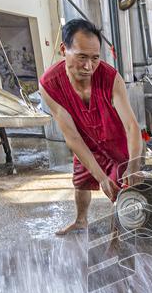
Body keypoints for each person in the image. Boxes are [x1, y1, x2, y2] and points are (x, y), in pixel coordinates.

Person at [40, 19, 143, 235]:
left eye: (95, 58)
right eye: (81, 57)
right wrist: (100, 177)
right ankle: (80, 220)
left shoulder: (110, 77)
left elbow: (132, 126)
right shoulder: (49, 84)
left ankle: (120, 234)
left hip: (115, 142)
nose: (88, 67)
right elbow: (72, 138)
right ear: (63, 50)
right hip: (84, 141)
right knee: (81, 180)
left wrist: (133, 164)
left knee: (121, 189)